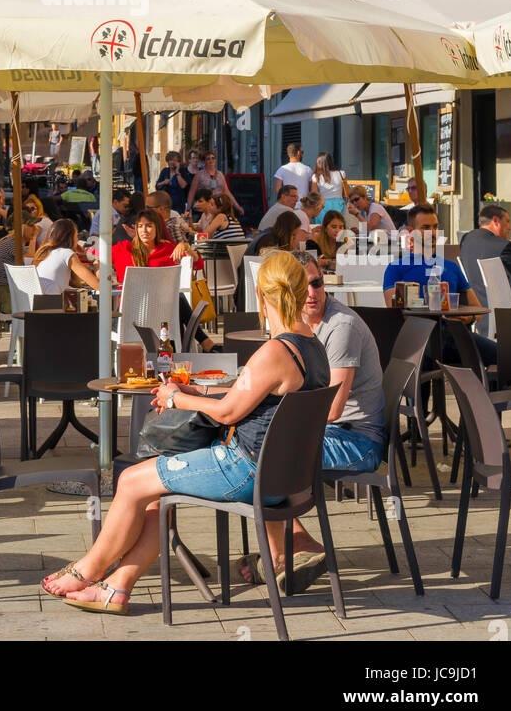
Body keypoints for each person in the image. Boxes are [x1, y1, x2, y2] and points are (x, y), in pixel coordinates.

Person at [42, 251, 329, 613]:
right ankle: (116, 587)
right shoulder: (313, 347)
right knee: (156, 496)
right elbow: (247, 395)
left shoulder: (275, 351)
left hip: (244, 470)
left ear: (259, 293)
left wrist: (177, 398)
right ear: (303, 290)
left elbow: (228, 412)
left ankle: (88, 570)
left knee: (131, 481)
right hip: (282, 480)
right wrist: (199, 392)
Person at [246, 255, 386, 590]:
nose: (312, 291)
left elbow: (334, 409)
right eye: (302, 285)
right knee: (259, 444)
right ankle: (297, 544)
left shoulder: (340, 327)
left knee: (259, 455)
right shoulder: (295, 323)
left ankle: (286, 552)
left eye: (318, 282)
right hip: (331, 432)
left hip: (356, 440)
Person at [383, 202, 496, 370]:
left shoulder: (450, 267)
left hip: (454, 335)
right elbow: (395, 312)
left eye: (435, 227)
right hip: (418, 338)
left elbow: (476, 309)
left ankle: (488, 393)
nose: (433, 233)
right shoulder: (396, 268)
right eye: (426, 227)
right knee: (422, 356)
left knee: (503, 356)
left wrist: (469, 318)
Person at [110, 209, 213, 351]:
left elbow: (198, 264)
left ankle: (200, 344)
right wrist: (98, 269)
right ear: (135, 228)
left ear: (157, 228)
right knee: (179, 298)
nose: (144, 230)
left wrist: (185, 246)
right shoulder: (124, 249)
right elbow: (97, 257)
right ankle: (204, 342)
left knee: (178, 299)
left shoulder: (168, 249)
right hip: (133, 314)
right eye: (140, 226)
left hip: (160, 314)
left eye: (149, 226)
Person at [458, 202, 511, 309]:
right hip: (507, 315)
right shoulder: (505, 247)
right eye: (507, 221)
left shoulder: (466, 240)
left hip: (478, 312)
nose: (509, 227)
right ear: (495, 221)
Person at [0, 212, 40, 313]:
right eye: (31, 225)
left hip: (5, 290)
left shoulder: (14, 242)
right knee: (38, 305)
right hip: (5, 295)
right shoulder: (13, 243)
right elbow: (29, 263)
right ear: (22, 227)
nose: (35, 228)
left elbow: (30, 258)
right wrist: (34, 238)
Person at [32, 219, 100, 294]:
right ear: (70, 237)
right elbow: (99, 286)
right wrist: (96, 262)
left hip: (37, 302)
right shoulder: (67, 254)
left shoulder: (45, 251)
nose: (78, 240)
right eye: (77, 236)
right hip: (52, 303)